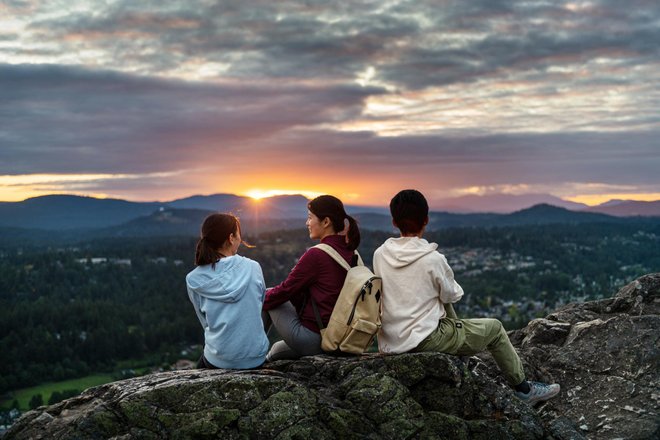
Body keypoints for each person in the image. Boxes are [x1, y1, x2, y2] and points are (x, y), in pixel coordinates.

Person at [373, 189, 560, 405]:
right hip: (424, 340)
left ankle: (460, 353)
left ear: (394, 222)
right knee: (496, 329)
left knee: (440, 304)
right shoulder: (433, 259)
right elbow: (452, 294)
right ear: (426, 220)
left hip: (390, 342)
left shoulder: (380, 254)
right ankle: (524, 390)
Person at [262, 195, 360, 361]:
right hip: (341, 339)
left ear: (326, 222)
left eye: (310, 218)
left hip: (315, 338)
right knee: (276, 351)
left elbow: (285, 291)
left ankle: (245, 354)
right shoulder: (352, 253)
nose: (307, 223)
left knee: (268, 294)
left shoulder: (317, 254)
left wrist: (253, 302)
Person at [186, 213, 269, 369]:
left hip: (219, 360)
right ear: (231, 238)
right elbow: (259, 304)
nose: (240, 239)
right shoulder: (253, 267)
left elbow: (205, 322)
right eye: (239, 235)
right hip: (256, 359)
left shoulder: (193, 279)